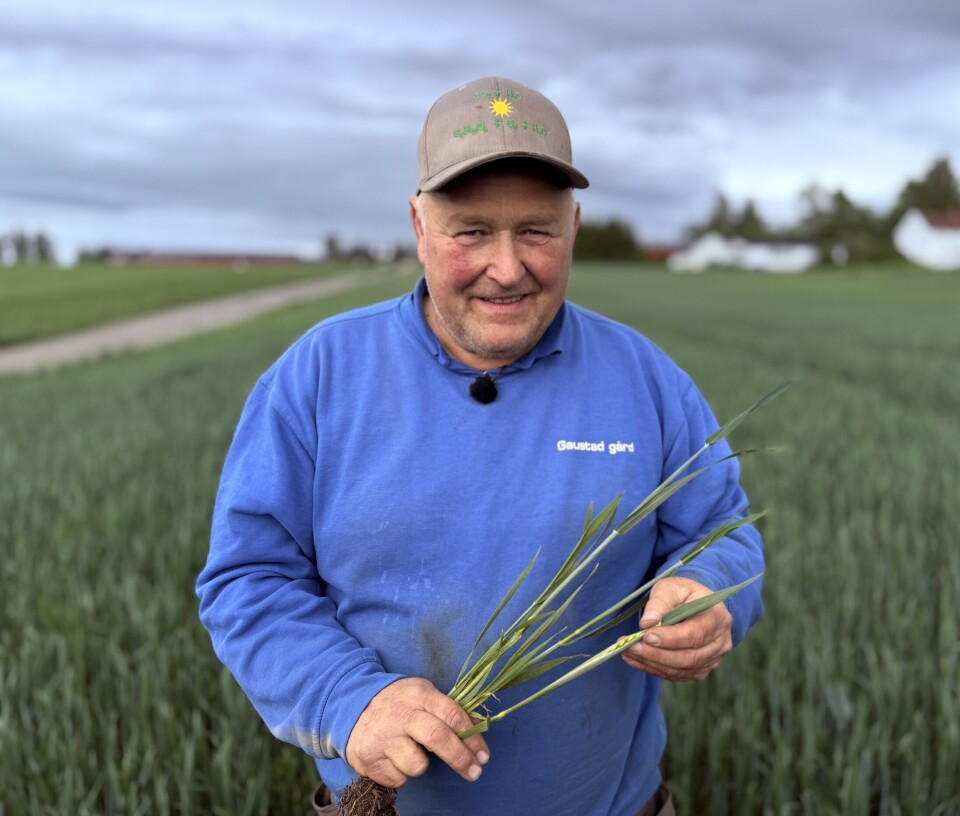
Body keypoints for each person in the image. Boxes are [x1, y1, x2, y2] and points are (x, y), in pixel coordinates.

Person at [196, 76, 764, 816]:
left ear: (574, 226)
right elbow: (249, 578)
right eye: (471, 231)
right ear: (419, 225)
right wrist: (349, 700)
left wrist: (708, 592)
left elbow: (725, 534)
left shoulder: (646, 380)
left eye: (536, 231)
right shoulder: (319, 376)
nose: (507, 267)